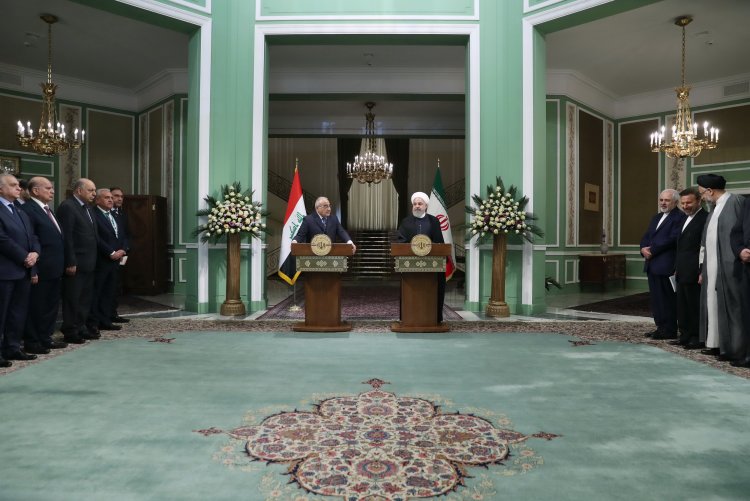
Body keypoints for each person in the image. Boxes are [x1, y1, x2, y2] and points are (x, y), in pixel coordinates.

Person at [698, 174, 745, 362]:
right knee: (713, 305)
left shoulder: (735, 201)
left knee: (732, 308)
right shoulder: (714, 208)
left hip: (730, 267)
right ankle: (716, 344)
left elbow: (739, 234)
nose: (702, 197)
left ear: (710, 191)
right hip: (712, 267)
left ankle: (734, 349)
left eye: (702, 193)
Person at [20, 177, 67, 354]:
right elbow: (29, 241)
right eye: (48, 188)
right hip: (40, 269)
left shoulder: (47, 209)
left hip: (55, 269)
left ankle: (46, 338)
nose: (52, 191)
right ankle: (33, 341)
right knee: (36, 307)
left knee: (51, 307)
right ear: (35, 191)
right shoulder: (28, 209)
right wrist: (33, 270)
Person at [0, 173, 41, 366]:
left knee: (17, 313)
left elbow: (33, 237)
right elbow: (2, 239)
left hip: (23, 271)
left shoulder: (20, 210)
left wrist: (35, 253)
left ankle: (13, 348)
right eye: (13, 185)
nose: (19, 188)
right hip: (5, 271)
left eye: (19, 185)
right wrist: (25, 256)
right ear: (1, 188)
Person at [56, 178, 99, 344]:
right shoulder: (68, 207)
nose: (94, 194)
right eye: (90, 190)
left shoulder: (88, 208)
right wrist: (70, 261)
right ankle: (70, 330)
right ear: (79, 190)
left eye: (94, 190)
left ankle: (81, 327)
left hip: (89, 262)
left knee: (84, 299)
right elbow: (67, 237)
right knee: (72, 300)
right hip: (76, 263)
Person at [639, 189, 685, 340]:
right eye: (661, 200)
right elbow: (647, 236)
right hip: (651, 264)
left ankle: (669, 330)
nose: (663, 203)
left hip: (666, 265)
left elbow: (672, 239)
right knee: (656, 300)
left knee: (667, 300)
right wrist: (643, 248)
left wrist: (652, 250)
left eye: (667, 200)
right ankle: (660, 328)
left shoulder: (680, 217)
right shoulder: (656, 217)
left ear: (675, 202)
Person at [396, 191, 446, 323]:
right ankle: (408, 318)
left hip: (431, 265)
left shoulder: (434, 221)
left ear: (426, 206)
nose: (417, 206)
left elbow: (439, 243)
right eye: (415, 204)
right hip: (410, 265)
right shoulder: (406, 222)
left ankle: (434, 318)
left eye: (420, 204)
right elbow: (400, 243)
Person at [670, 187, 707, 350]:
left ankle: (697, 337)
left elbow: (704, 248)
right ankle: (685, 335)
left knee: (694, 305)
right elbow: (681, 247)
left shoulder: (705, 218)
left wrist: (702, 271)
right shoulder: (684, 218)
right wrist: (676, 267)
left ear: (699, 201)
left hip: (695, 271)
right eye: (683, 203)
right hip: (682, 269)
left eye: (689, 203)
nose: (685, 206)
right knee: (682, 305)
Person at [88, 189, 128, 332]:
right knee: (97, 292)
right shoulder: (93, 214)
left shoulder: (114, 215)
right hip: (101, 259)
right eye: (107, 197)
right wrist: (111, 252)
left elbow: (122, 235)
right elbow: (96, 237)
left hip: (116, 260)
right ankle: (94, 322)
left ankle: (105, 320)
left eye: (111, 197)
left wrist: (123, 250)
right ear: (97, 200)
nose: (111, 200)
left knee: (109, 292)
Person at [292, 196, 356, 252]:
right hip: (313, 254)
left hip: (331, 253)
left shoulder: (334, 219)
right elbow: (300, 235)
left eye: (329, 206)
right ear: (317, 208)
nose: (329, 209)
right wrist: (295, 241)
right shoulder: (308, 220)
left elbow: (341, 232)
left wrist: (349, 242)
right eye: (326, 206)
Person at [729, 196, 750, 368]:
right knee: (747, 315)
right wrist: (740, 250)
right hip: (746, 268)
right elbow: (736, 233)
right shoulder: (748, 202)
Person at [109, 186, 130, 324]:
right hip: (107, 255)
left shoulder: (122, 214)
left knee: (116, 286)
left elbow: (127, 235)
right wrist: (112, 252)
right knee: (107, 287)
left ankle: (113, 313)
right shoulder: (102, 213)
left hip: (121, 255)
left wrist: (124, 249)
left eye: (121, 196)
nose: (119, 199)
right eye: (116, 196)